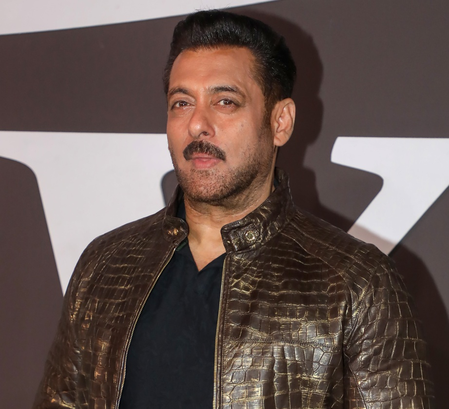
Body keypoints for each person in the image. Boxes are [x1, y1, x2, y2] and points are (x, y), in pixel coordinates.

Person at [34, 10, 434, 409]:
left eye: (225, 102)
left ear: (280, 122)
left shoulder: (356, 284)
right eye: (181, 103)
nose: (197, 125)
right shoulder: (106, 265)